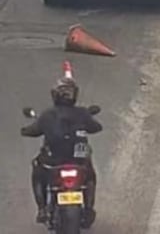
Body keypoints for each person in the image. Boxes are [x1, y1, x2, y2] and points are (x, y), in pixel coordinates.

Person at [21, 76, 102, 225]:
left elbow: (32, 130)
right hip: (78, 161)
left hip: (53, 161)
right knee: (90, 175)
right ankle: (89, 208)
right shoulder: (82, 113)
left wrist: (25, 130)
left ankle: (42, 209)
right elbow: (97, 127)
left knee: (37, 169)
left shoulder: (47, 115)